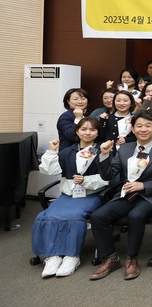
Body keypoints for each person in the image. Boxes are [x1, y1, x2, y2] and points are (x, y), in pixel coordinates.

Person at [89, 111, 152, 281]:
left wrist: (144, 185)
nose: (143, 129)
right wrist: (105, 155)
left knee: (135, 215)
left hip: (150, 197)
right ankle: (111, 258)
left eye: (148, 126)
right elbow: (108, 175)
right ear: (133, 129)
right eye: (139, 126)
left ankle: (132, 258)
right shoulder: (124, 149)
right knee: (98, 216)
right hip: (126, 194)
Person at [33, 118, 109, 278]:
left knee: (74, 216)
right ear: (77, 131)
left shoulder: (102, 151)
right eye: (84, 129)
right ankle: (52, 255)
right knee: (47, 215)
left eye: (92, 129)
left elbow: (108, 177)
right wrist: (52, 151)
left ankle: (71, 256)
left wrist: (86, 181)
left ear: (98, 133)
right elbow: (49, 171)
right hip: (68, 195)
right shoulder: (67, 151)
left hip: (91, 195)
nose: (88, 133)